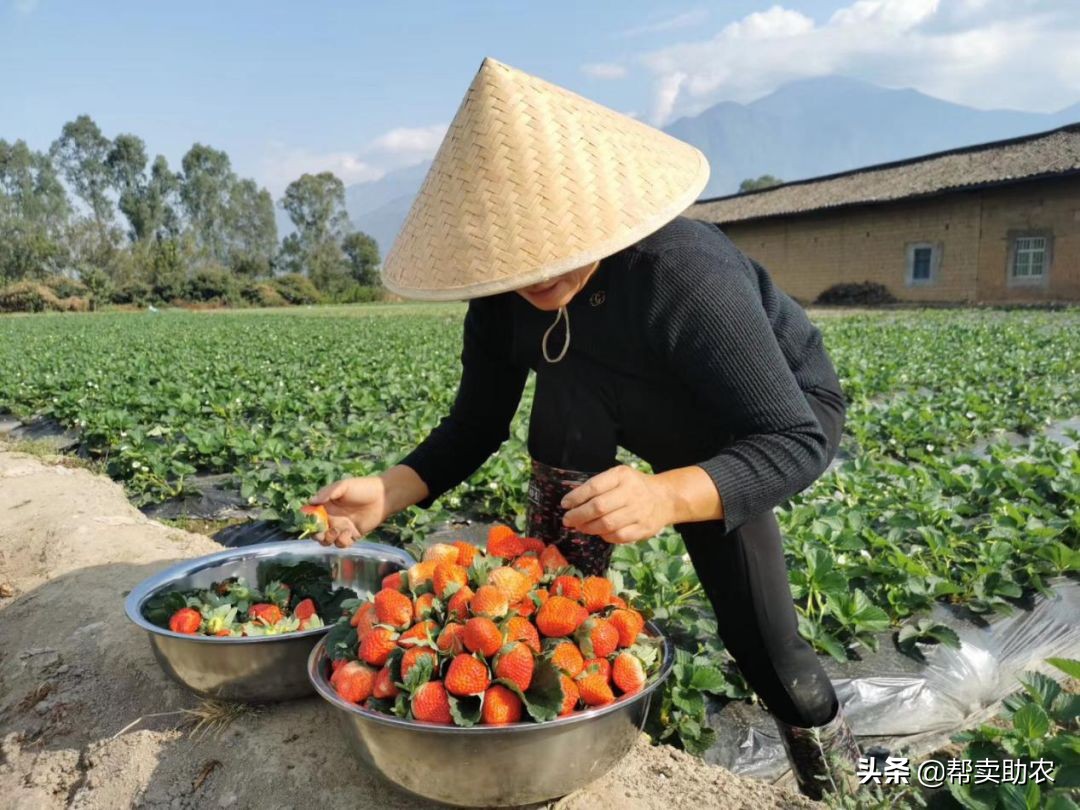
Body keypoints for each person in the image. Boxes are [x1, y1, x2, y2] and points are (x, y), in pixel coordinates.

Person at [306, 57, 859, 799]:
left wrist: (666, 496)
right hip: (603, 397)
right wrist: (388, 490)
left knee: (763, 644)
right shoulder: (505, 303)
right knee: (553, 563)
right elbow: (475, 423)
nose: (537, 274)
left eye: (555, 244)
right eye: (513, 258)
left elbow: (794, 437)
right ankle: (556, 666)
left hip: (751, 421)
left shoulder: (685, 275)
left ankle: (843, 782)